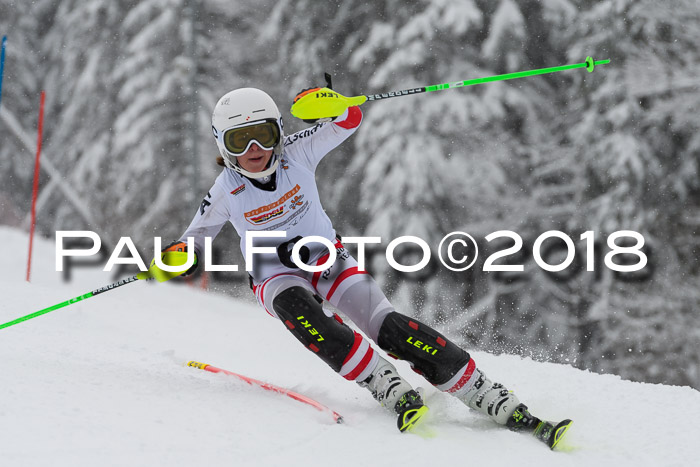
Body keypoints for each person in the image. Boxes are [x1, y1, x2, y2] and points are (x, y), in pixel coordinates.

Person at [150, 87, 570, 447]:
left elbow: (348, 119)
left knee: (387, 327)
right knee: (301, 311)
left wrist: (327, 103)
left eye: (262, 136)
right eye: (239, 141)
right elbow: (193, 240)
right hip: (274, 274)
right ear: (223, 146)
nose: (254, 150)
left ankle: (483, 391)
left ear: (279, 133)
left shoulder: (299, 151)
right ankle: (381, 382)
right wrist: (177, 258)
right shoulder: (227, 190)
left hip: (327, 260)